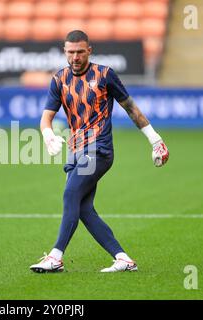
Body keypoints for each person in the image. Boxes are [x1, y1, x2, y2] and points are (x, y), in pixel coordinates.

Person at [29, 30, 169, 273]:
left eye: (80, 52)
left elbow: (131, 108)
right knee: (83, 208)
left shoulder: (105, 75)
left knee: (70, 194)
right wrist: (48, 134)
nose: (75, 57)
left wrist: (155, 139)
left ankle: (55, 256)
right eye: (70, 52)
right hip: (76, 150)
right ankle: (122, 258)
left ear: (89, 51)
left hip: (99, 149)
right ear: (64, 51)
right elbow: (46, 118)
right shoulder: (59, 80)